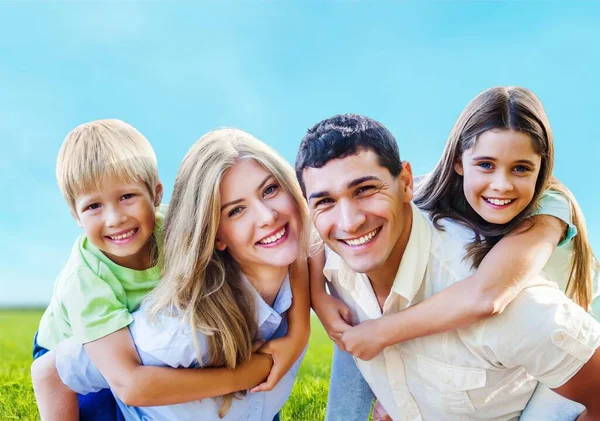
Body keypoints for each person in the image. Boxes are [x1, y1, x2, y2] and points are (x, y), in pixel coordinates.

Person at [311, 88, 599, 421]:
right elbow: (317, 210)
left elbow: (486, 295)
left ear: (542, 168)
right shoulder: (425, 192)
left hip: (566, 343)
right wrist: (320, 294)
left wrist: (380, 332)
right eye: (486, 165)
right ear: (459, 162)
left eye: (521, 168)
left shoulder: (548, 211)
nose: (502, 184)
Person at [32, 125, 310, 421]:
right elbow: (128, 382)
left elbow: (292, 246)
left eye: (127, 196)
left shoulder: (174, 231)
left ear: (156, 194)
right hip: (76, 341)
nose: (115, 219)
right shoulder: (85, 281)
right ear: (75, 215)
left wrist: (298, 331)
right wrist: (244, 375)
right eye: (94, 206)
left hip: (141, 330)